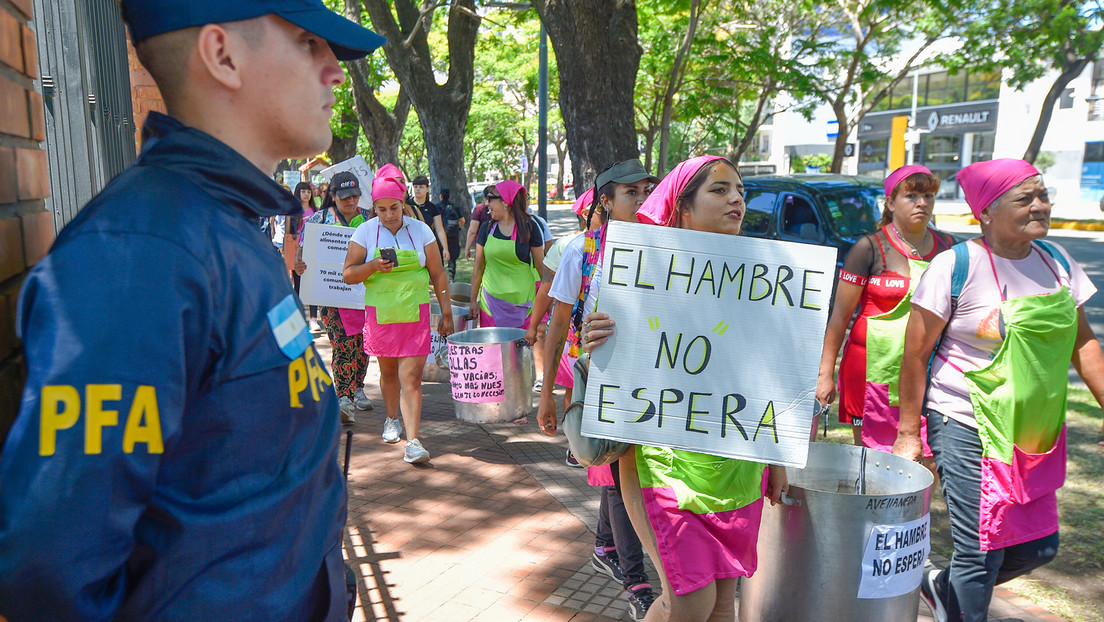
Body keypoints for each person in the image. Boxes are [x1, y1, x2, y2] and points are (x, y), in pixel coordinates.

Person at [0, 2, 385, 618]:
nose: (335, 69)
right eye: (310, 43)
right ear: (222, 54)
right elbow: (49, 569)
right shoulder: (142, 255)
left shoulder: (225, 229)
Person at [892, 159, 1104, 622]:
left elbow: (1083, 342)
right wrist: (910, 432)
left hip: (1032, 432)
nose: (1040, 206)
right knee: (980, 551)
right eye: (1024, 198)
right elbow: (915, 353)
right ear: (985, 211)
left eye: (1042, 196)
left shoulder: (1060, 263)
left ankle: (942, 587)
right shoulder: (956, 266)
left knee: (1040, 548)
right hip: (964, 419)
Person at [579, 156, 788, 622]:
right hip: (661, 464)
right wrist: (596, 344)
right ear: (683, 209)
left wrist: (775, 455)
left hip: (737, 468)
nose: (736, 198)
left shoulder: (765, 278)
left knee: (721, 606)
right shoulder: (637, 275)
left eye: (739, 189)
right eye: (719, 190)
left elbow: (771, 375)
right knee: (689, 602)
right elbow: (607, 369)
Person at [534, 159, 661, 622]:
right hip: (603, 378)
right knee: (615, 467)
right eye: (631, 192)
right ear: (604, 202)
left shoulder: (668, 247)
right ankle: (635, 579)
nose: (643, 199)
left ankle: (606, 546)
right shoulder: (582, 251)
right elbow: (558, 320)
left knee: (623, 469)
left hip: (653, 380)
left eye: (647, 189)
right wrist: (548, 391)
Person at [816, 164, 955, 449]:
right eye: (912, 196)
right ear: (890, 202)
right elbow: (839, 318)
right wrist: (824, 375)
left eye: (928, 196)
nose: (922, 203)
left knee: (926, 459)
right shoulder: (868, 248)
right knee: (873, 461)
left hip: (929, 373)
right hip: (869, 373)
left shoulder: (949, 248)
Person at [343, 164, 453, 464]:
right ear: (374, 209)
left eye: (394, 207)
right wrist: (372, 266)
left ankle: (414, 441)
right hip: (381, 314)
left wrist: (446, 314)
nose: (389, 215)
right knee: (389, 372)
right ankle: (391, 419)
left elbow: (438, 275)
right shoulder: (365, 231)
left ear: (403, 204)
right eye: (381, 209)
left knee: (412, 377)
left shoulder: (421, 230)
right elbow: (349, 274)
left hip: (414, 313)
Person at [295, 171, 374, 424]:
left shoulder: (370, 221)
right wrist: (299, 264)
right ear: (333, 196)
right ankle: (344, 398)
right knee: (342, 345)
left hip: (365, 295)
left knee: (362, 346)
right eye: (344, 197)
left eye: (354, 196)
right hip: (332, 297)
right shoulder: (320, 219)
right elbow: (303, 251)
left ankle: (358, 386)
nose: (350, 201)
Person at [469, 181, 545, 329]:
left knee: (521, 351)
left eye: (490, 199)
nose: (486, 204)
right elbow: (478, 266)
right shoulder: (486, 228)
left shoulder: (530, 227)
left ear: (505, 201)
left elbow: (542, 269)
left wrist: (549, 301)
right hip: (490, 305)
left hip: (523, 305)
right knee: (493, 350)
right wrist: (473, 301)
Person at [407, 174, 450, 263]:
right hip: (410, 244)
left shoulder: (433, 207)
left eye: (421, 187)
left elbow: (439, 229)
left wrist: (445, 248)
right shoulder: (407, 205)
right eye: (416, 187)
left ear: (427, 189)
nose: (418, 189)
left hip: (427, 243)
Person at [438, 187, 466, 280]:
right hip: (453, 235)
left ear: (441, 196)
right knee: (452, 257)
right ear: (449, 196)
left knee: (439, 256)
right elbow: (462, 220)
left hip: (441, 235)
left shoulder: (437, 206)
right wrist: (458, 228)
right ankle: (451, 278)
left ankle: (440, 277)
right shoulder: (455, 207)